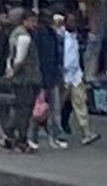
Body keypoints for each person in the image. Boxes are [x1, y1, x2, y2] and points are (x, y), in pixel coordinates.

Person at [0, 8, 41, 152]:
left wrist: (9, 70)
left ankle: (12, 136)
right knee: (24, 109)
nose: (34, 24)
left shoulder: (14, 34)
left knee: (21, 108)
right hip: (26, 78)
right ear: (24, 21)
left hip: (19, 78)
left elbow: (10, 56)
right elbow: (20, 59)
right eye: (32, 21)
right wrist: (13, 71)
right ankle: (17, 136)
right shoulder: (25, 37)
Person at [61, 12, 97, 146]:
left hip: (75, 76)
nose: (72, 23)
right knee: (57, 106)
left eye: (73, 21)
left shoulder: (75, 37)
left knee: (80, 102)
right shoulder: (62, 37)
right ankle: (52, 129)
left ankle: (86, 132)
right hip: (64, 76)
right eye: (70, 21)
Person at [32, 11, 66, 148]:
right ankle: (49, 136)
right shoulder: (44, 35)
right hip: (47, 76)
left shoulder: (47, 34)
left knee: (43, 109)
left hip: (49, 76)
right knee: (46, 109)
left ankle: (46, 135)